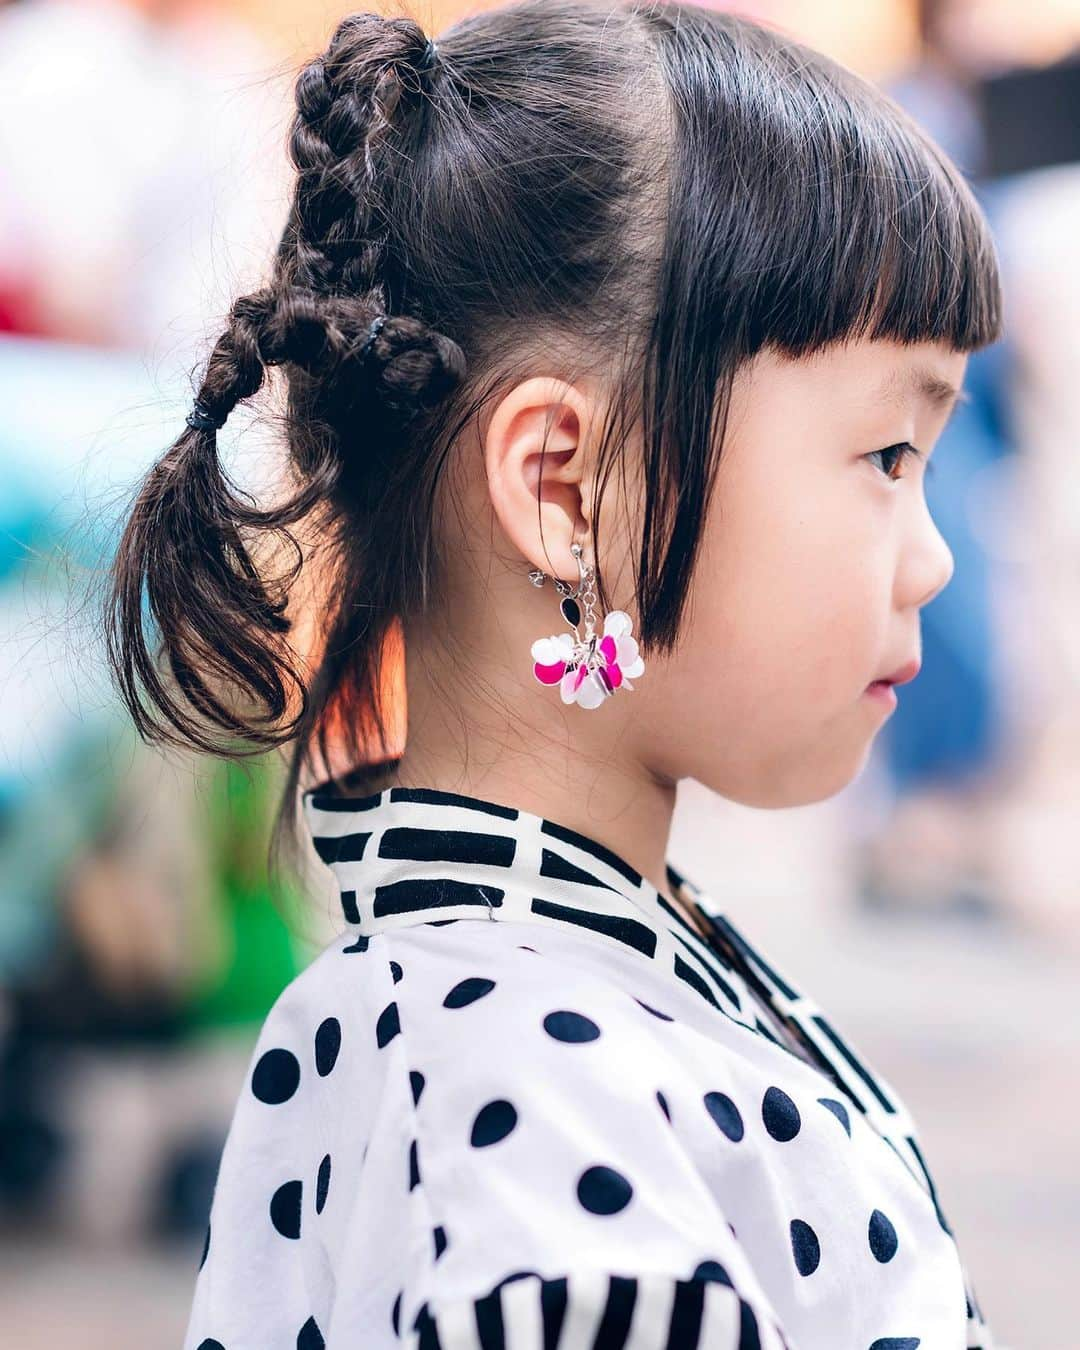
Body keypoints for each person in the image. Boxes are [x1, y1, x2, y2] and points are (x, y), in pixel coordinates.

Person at [102, 3, 1005, 1346]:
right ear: (564, 487)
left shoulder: (524, 1000)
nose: (930, 557)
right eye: (886, 454)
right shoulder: (528, 1089)